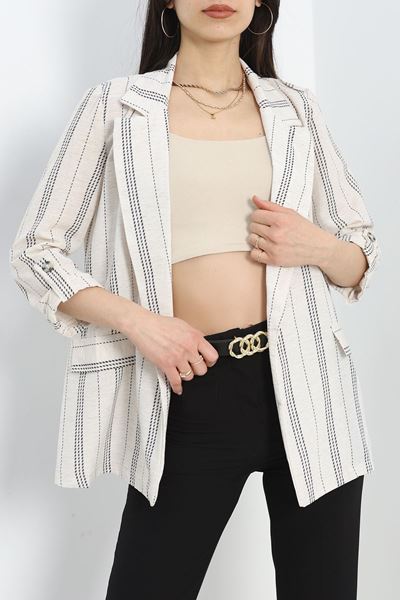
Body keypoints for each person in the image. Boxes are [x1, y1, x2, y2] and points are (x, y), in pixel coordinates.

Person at [9, 1, 381, 599]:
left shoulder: (296, 109)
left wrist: (317, 245)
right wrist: (140, 323)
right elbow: (35, 251)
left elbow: (360, 252)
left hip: (311, 384)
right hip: (191, 385)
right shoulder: (116, 107)